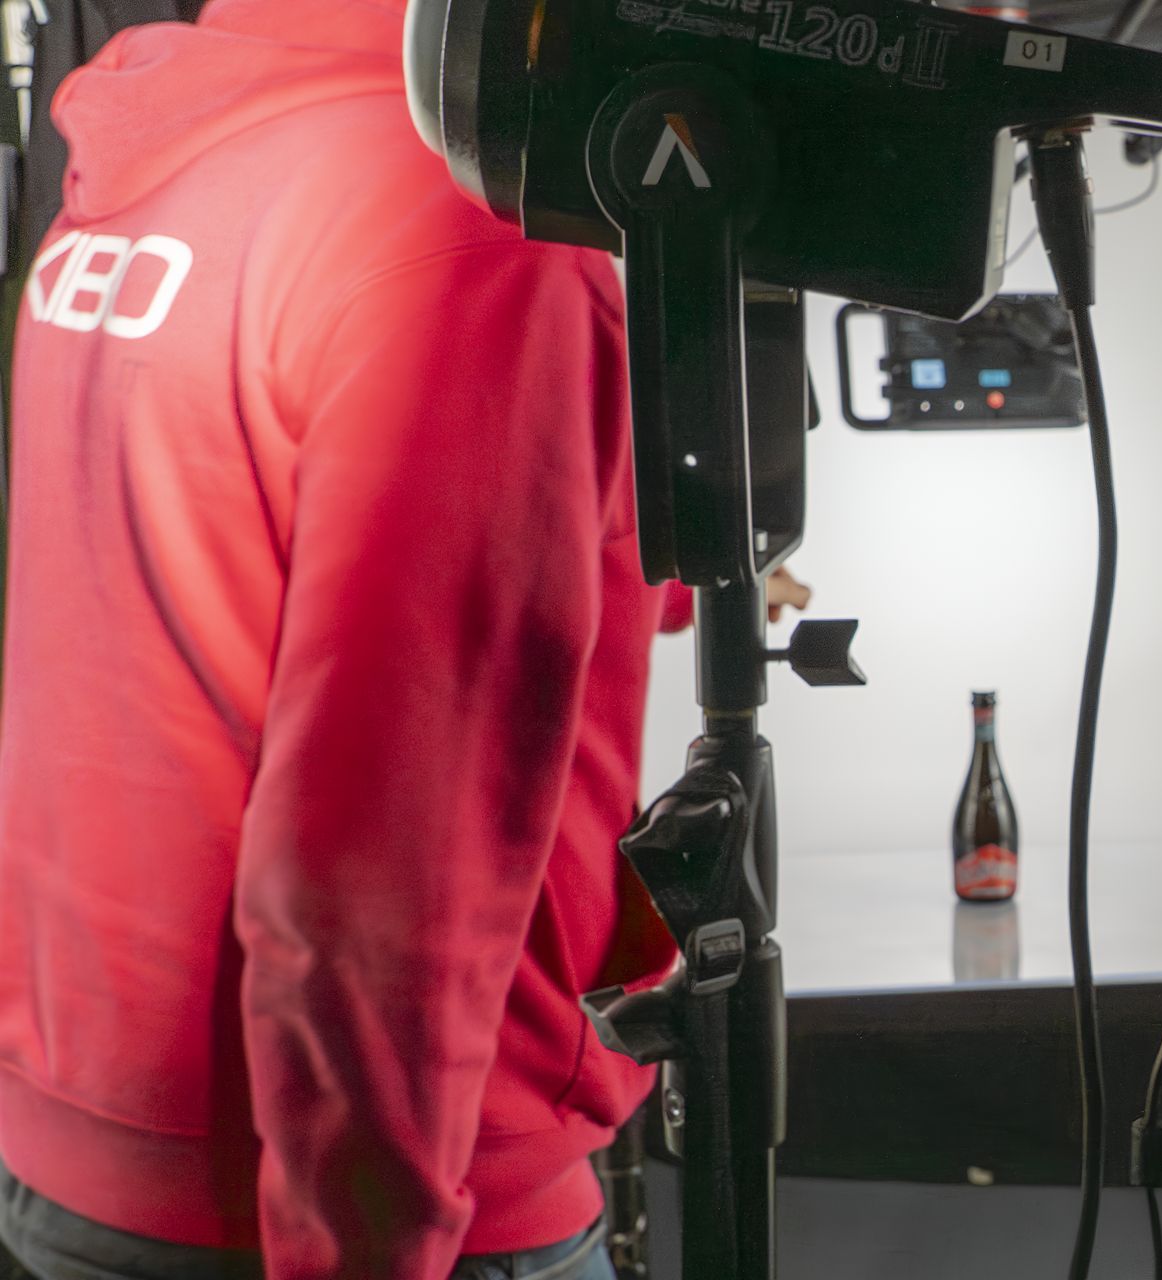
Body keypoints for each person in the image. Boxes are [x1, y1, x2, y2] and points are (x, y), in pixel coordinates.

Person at [0, 0, 806, 1275]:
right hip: (384, 1194)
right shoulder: (465, 230)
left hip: (91, 1154)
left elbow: (200, 567)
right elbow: (375, 863)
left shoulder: (169, 158)